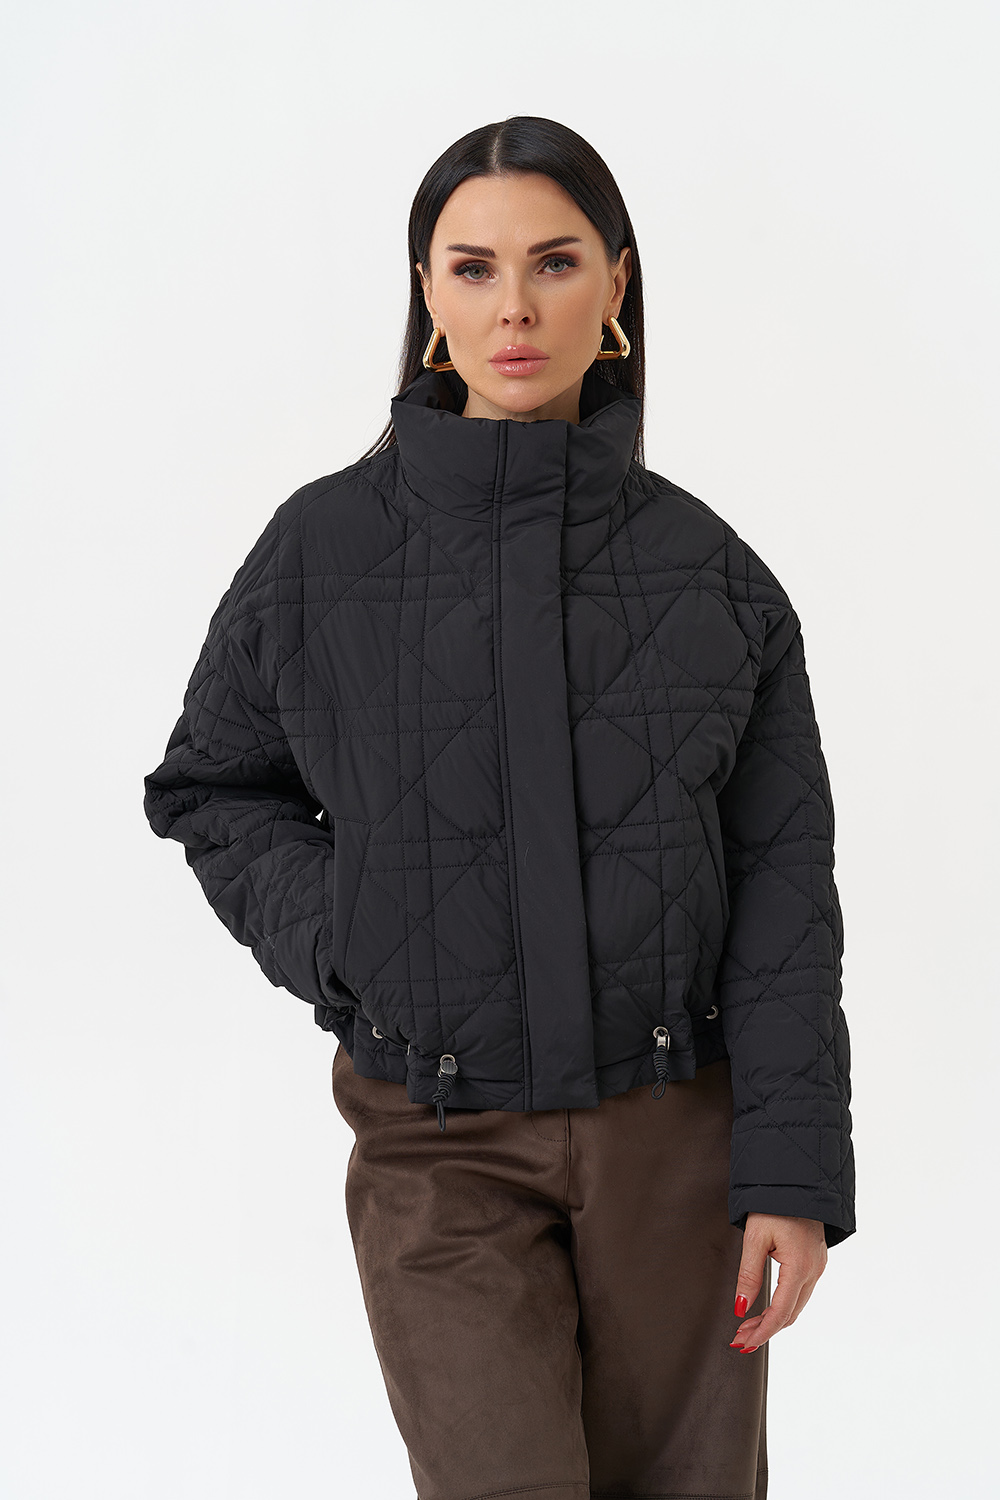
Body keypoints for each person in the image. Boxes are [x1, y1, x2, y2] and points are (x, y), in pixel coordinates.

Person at [143, 115, 855, 1500]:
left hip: (676, 1146)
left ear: (617, 286)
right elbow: (211, 785)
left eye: (555, 262)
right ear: (427, 295)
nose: (514, 308)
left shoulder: (715, 577)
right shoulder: (320, 552)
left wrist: (793, 1171)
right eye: (472, 268)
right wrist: (352, 941)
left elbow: (783, 889)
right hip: (438, 1144)